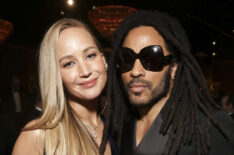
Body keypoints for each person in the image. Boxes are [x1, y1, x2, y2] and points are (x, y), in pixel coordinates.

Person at [107, 10, 234, 155]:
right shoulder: (120, 127)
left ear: (173, 68)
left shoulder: (210, 126)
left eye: (151, 59)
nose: (135, 71)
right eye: (127, 59)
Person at [12, 18, 118, 155]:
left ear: (103, 60)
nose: (85, 71)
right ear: (56, 75)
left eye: (90, 55)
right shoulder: (38, 136)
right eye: (69, 63)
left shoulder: (114, 128)